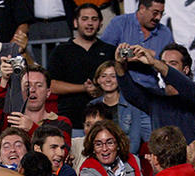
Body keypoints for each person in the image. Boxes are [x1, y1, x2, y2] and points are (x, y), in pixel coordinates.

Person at [115, 42, 195, 143]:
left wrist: (155, 63)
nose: (165, 66)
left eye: (173, 63)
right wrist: (119, 63)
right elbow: (128, 89)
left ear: (186, 70)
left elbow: (180, 81)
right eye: (163, 62)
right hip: (161, 152)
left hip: (191, 152)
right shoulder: (154, 98)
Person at [48, 3, 115, 134]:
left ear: (101, 23)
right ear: (75, 22)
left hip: (105, 122)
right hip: (70, 121)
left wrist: (100, 90)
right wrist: (83, 88)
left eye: (94, 19)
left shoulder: (110, 51)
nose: (90, 23)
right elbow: (52, 85)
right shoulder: (61, 51)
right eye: (85, 19)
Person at [0, 63, 73, 147]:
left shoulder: (61, 123)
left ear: (48, 92)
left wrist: (32, 128)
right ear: (21, 91)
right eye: (27, 85)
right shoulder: (14, 122)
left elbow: (62, 150)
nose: (32, 89)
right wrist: (4, 80)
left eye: (39, 85)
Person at [99, 0, 172, 91]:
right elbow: (103, 51)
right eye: (155, 13)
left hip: (151, 90)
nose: (158, 17)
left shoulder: (165, 33)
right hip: (120, 89)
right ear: (142, 9)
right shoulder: (120, 23)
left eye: (161, 13)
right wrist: (132, 53)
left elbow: (170, 64)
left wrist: (153, 57)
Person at [89, 60, 150, 154]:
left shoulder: (132, 105)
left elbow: (135, 141)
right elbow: (89, 138)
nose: (108, 80)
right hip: (99, 155)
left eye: (113, 76)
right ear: (97, 80)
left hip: (126, 156)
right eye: (103, 76)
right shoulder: (92, 105)